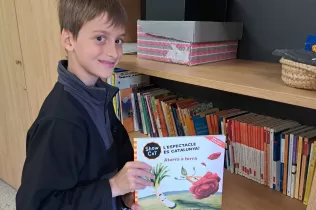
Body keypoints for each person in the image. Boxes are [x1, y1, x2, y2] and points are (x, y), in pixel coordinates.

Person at [15, 0, 154, 209]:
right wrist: (114, 187)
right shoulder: (60, 123)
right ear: (69, 39)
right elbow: (35, 205)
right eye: (100, 38)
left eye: (118, 40)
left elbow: (105, 166)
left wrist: (124, 196)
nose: (114, 52)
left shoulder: (97, 94)